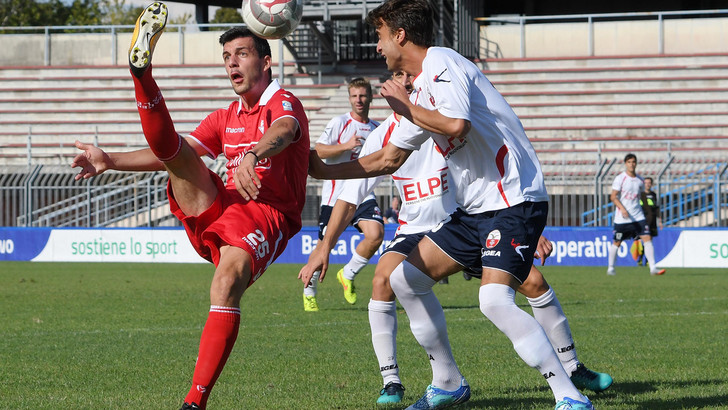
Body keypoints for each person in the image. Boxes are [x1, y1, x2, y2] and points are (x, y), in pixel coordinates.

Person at [305, 1, 595, 408]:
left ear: (400, 36)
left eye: (380, 35)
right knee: (405, 280)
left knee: (494, 301)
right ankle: (447, 383)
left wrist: (404, 105)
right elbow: (387, 159)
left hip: (512, 199)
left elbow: (457, 125)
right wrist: (321, 170)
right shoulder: (421, 89)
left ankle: (569, 394)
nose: (377, 46)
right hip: (475, 210)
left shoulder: (442, 63)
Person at [71, 4, 310, 409]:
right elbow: (171, 154)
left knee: (225, 281)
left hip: (268, 214)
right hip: (226, 206)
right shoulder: (225, 116)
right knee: (178, 155)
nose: (231, 63)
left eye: (242, 54)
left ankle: (193, 402)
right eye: (226, 57)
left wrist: (253, 153)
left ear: (266, 61)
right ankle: (142, 76)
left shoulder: (282, 101)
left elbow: (285, 131)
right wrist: (110, 160)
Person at [303, 77, 384, 312]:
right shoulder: (340, 123)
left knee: (376, 234)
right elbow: (318, 150)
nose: (359, 100)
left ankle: (347, 274)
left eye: (363, 95)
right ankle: (309, 292)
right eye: (354, 96)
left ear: (370, 97)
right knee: (323, 247)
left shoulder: (377, 129)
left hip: (363, 193)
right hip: (336, 195)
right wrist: (345, 146)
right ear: (349, 98)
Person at [608, 154, 665, 276]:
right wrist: (622, 209)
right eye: (629, 162)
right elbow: (613, 196)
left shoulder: (640, 180)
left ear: (636, 163)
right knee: (617, 242)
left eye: (633, 162)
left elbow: (641, 197)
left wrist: (647, 212)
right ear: (625, 163)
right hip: (622, 218)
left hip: (638, 216)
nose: (632, 164)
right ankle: (611, 267)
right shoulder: (620, 178)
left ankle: (653, 268)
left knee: (647, 238)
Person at [633, 177, 662, 266]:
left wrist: (659, 220)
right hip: (642, 221)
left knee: (650, 241)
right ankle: (641, 259)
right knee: (644, 240)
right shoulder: (640, 194)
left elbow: (656, 208)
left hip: (652, 221)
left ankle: (647, 260)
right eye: (646, 183)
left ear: (651, 184)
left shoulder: (653, 194)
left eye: (649, 183)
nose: (647, 184)